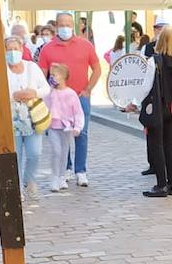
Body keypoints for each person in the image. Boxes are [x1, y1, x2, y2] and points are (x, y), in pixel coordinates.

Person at [38, 11, 102, 187]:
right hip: (58, 99)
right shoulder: (48, 48)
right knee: (60, 134)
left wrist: (88, 88)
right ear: (56, 26)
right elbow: (41, 74)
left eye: (68, 24)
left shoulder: (85, 45)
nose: (65, 27)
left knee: (81, 133)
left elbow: (97, 68)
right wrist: (45, 95)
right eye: (61, 24)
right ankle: (65, 169)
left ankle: (80, 171)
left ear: (73, 25)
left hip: (80, 97)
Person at [140, 25, 172, 197]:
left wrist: (136, 104)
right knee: (170, 144)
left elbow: (146, 87)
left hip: (158, 106)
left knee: (156, 144)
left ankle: (161, 184)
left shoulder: (155, 61)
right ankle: (171, 183)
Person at [6, 36, 52, 197]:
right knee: (15, 155)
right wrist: (14, 95)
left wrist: (34, 92)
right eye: (9, 49)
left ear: (21, 50)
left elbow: (45, 88)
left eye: (15, 49)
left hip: (32, 118)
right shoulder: (2, 70)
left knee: (35, 153)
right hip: (12, 120)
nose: (12, 52)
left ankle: (29, 179)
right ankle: (17, 188)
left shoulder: (31, 67)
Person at [44, 63, 85, 192]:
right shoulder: (50, 92)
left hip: (66, 127)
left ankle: (61, 176)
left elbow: (78, 112)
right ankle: (54, 177)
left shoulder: (71, 94)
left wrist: (78, 127)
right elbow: (44, 105)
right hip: (52, 126)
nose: (52, 77)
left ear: (62, 76)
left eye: (54, 75)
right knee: (56, 151)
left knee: (63, 152)